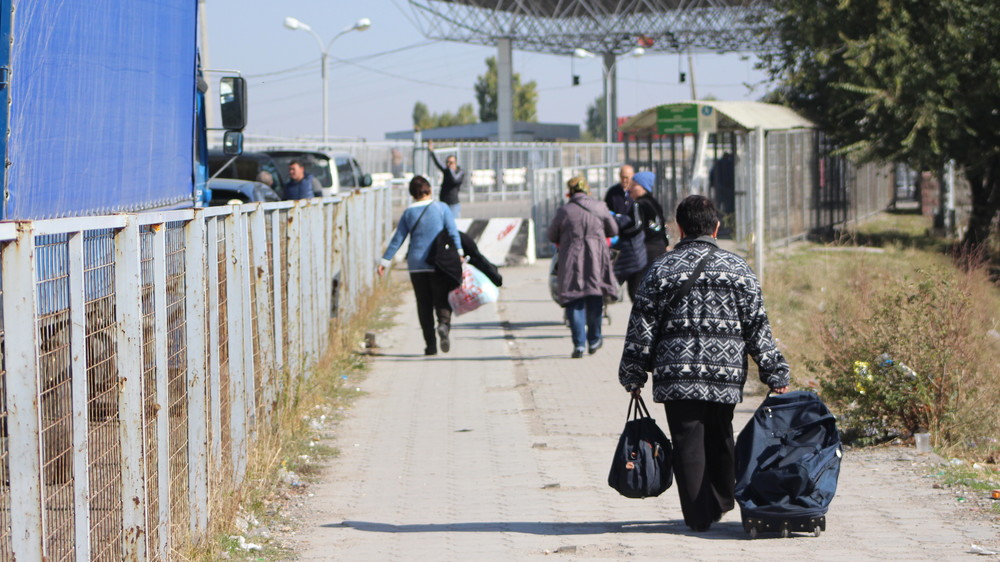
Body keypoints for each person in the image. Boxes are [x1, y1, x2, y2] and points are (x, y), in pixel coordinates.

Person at [618, 194, 790, 533]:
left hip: (675, 375)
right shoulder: (738, 269)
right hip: (724, 375)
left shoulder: (661, 269)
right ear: (716, 227)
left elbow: (641, 326)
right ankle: (723, 499)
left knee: (686, 443)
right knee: (721, 435)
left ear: (679, 228)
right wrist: (775, 372)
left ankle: (699, 514)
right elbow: (758, 326)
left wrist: (632, 372)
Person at [378, 175, 463, 356]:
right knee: (441, 298)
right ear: (430, 190)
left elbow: (397, 239)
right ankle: (443, 324)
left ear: (412, 194)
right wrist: (460, 253)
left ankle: (430, 346)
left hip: (416, 264)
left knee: (423, 305)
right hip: (439, 263)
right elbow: (453, 232)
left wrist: (385, 261)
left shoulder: (409, 213)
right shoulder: (441, 208)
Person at [547, 176, 619, 358]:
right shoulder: (600, 207)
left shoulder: (564, 211)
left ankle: (579, 344)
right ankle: (594, 339)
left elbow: (551, 235)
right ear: (588, 190)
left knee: (574, 298)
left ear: (569, 192)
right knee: (595, 296)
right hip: (596, 257)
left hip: (571, 258)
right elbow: (613, 230)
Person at [627, 171, 670, 268]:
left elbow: (637, 226)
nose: (630, 189)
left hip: (646, 249)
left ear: (643, 187)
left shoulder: (638, 204)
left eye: (634, 185)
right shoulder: (655, 203)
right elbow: (662, 225)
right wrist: (666, 244)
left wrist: (622, 233)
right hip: (660, 246)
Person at [427, 140, 465, 218]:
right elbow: (438, 163)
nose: (448, 164)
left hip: (453, 204)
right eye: (447, 162)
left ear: (455, 163)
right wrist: (432, 151)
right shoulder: (447, 171)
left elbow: (454, 180)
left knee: (455, 225)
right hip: (443, 203)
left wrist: (449, 170)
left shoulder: (460, 172)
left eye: (451, 163)